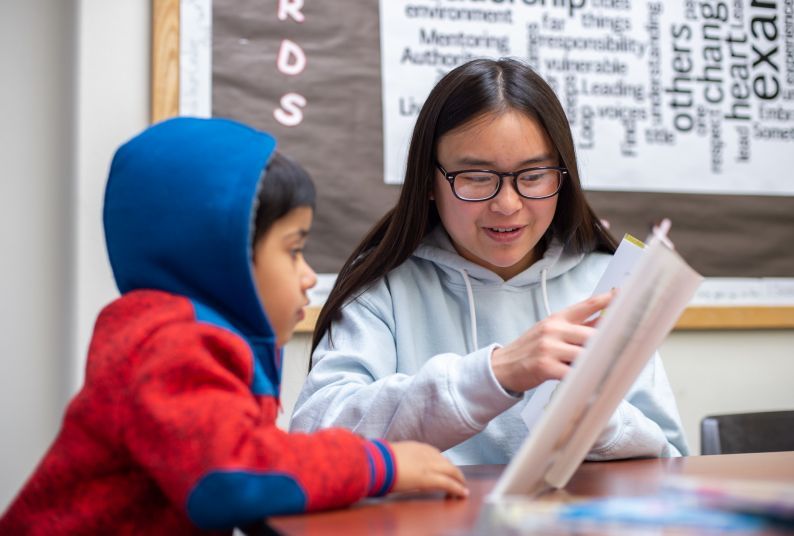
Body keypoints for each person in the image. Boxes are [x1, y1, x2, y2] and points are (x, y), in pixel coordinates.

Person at [0, 118, 467, 534]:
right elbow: (231, 476)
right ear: (225, 260)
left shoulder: (175, 336)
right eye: (293, 250)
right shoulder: (173, 346)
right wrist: (379, 463)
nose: (308, 277)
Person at [290, 58, 689, 464]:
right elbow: (315, 436)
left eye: (533, 176)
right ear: (430, 182)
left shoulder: (606, 283)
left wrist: (596, 423)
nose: (507, 204)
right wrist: (496, 373)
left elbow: (673, 458)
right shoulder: (383, 285)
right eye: (478, 177)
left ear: (562, 177)